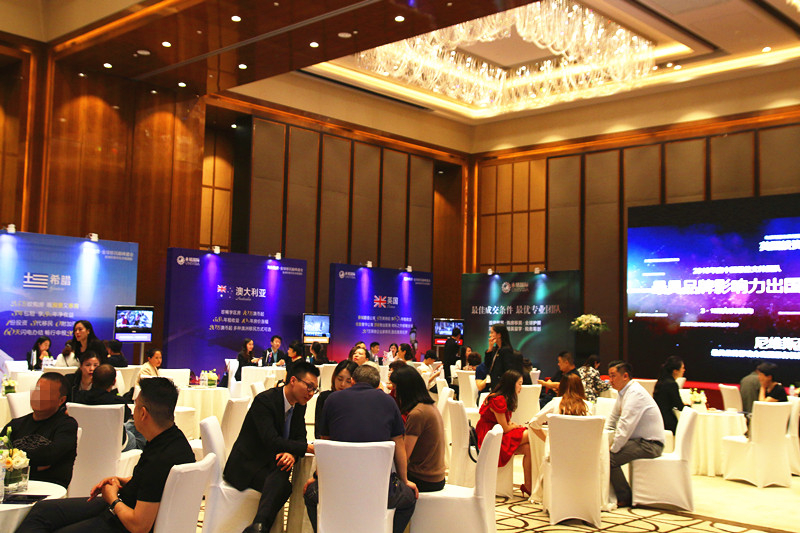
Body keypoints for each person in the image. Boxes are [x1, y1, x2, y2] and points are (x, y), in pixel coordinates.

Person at [16, 377, 194, 533]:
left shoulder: (160, 459)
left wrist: (113, 499)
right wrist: (122, 481)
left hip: (121, 520)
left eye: (136, 406)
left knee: (51, 526)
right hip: (123, 505)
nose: (133, 412)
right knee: (42, 511)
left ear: (143, 413)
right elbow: (155, 485)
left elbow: (139, 526)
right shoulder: (174, 440)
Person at [303, 365, 417, 533]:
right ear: (377, 385)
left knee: (310, 495)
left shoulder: (332, 400)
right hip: (379, 492)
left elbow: (326, 445)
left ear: (353, 381)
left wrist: (317, 477)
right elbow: (399, 444)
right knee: (409, 498)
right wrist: (405, 481)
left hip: (337, 490)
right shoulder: (388, 401)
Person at [225, 362, 319, 533]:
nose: (311, 393)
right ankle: (260, 526)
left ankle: (258, 527)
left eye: (314, 389)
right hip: (248, 464)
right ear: (293, 380)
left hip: (271, 464)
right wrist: (306, 448)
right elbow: (272, 441)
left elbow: (300, 436)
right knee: (282, 484)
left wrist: (292, 453)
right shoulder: (265, 401)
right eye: (309, 387)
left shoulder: (299, 405)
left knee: (282, 473)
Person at [1, 373, 78, 488]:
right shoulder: (15, 424)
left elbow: (50, 455)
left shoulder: (66, 425)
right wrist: (35, 466)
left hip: (49, 489)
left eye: (46, 393)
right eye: (37, 391)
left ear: (61, 400)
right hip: (12, 488)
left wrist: (16, 462)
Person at [605, 362, 664, 507]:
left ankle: (625, 496)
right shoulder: (623, 392)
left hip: (650, 444)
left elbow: (625, 426)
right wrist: (604, 436)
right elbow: (613, 418)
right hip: (639, 441)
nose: (610, 380)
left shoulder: (635, 394)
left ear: (625, 376)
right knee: (606, 454)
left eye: (613, 376)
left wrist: (613, 448)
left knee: (609, 458)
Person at [476, 369, 532, 497]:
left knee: (528, 449)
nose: (521, 387)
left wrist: (512, 425)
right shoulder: (498, 399)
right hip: (491, 436)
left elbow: (505, 424)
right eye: (519, 384)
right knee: (531, 434)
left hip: (497, 432)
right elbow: (505, 428)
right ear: (511, 384)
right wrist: (513, 426)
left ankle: (528, 485)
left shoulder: (503, 398)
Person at [390, 365, 446, 492]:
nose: (395, 393)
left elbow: (404, 455)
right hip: (436, 477)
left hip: (423, 478)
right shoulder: (429, 406)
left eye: (395, 388)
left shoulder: (417, 414)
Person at [73, 364, 136, 451]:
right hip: (112, 444)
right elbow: (125, 418)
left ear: (92, 380)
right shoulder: (118, 402)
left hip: (84, 442)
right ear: (114, 382)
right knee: (132, 436)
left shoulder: (79, 397)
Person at [529, 373, 591, 442]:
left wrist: (548, 441)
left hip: (557, 447)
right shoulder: (588, 405)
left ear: (561, 387)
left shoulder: (555, 403)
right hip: (582, 446)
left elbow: (533, 423)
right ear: (581, 387)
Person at [314, 360, 357, 438]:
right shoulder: (325, 397)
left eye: (348, 381)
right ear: (334, 377)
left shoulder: (358, 400)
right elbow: (318, 431)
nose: (342, 384)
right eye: (340, 379)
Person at [653, 356, 688, 433]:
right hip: (667, 421)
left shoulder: (661, 381)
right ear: (675, 371)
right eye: (682, 368)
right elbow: (679, 406)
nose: (684, 370)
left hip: (658, 419)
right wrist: (690, 407)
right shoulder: (672, 384)